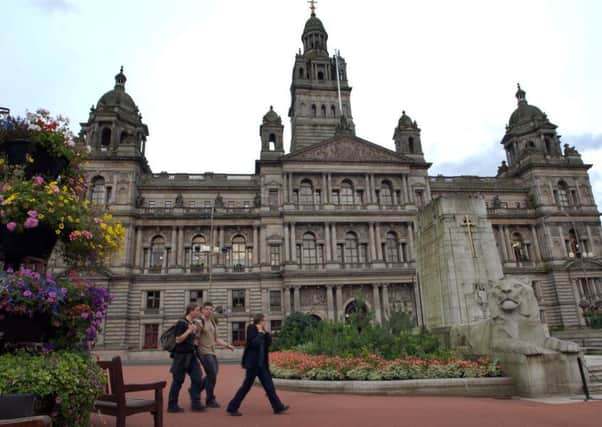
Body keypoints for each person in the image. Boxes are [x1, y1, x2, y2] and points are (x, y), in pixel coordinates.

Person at [226, 313, 289, 416]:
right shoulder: (251, 328)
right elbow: (254, 343)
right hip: (253, 364)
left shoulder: (263, 331)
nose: (265, 322)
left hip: (262, 364)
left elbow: (268, 344)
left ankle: (277, 407)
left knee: (269, 386)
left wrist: (266, 333)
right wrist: (260, 333)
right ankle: (232, 407)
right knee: (246, 387)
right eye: (264, 320)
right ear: (260, 321)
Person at [167, 303, 205, 413]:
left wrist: (197, 331)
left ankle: (196, 403)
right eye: (198, 310)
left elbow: (194, 342)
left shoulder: (192, 323)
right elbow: (178, 340)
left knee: (197, 377)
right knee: (178, 381)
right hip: (181, 356)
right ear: (191, 311)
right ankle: (172, 405)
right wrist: (189, 330)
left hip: (191, 355)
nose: (199, 313)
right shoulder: (181, 323)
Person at [197, 302, 235, 408]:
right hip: (204, 352)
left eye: (210, 309)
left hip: (212, 351)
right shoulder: (200, 321)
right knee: (212, 374)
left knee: (213, 374)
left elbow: (216, 339)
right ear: (202, 310)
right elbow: (195, 336)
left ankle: (196, 389)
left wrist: (228, 345)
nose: (209, 311)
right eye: (207, 309)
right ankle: (210, 399)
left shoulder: (212, 322)